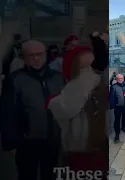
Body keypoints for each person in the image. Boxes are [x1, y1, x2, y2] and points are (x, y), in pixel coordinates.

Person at [0, 40, 65, 180]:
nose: (36, 58)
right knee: (27, 175)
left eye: (39, 54)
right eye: (31, 55)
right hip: (27, 141)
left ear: (46, 55)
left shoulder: (57, 78)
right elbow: (7, 112)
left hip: (53, 139)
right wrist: (10, 143)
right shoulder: (16, 79)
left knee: (51, 175)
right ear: (24, 57)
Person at [46, 32, 108, 176]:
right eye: (85, 68)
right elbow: (71, 102)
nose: (91, 72)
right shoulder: (61, 99)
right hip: (79, 156)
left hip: (102, 152)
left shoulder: (102, 91)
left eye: (92, 66)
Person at [110, 74, 125, 143]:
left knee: (124, 118)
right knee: (117, 120)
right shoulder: (114, 87)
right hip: (118, 106)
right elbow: (111, 96)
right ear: (117, 79)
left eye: (122, 78)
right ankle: (117, 135)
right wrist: (112, 105)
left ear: (123, 79)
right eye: (119, 78)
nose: (120, 79)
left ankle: (123, 127)